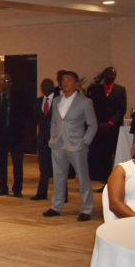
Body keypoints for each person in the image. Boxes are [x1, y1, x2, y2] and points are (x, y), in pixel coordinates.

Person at [43, 70, 97, 222]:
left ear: (76, 83)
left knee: (83, 177)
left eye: (69, 80)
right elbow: (54, 122)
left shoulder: (85, 102)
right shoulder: (56, 101)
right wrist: (52, 138)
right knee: (59, 176)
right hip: (58, 144)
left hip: (76, 145)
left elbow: (92, 125)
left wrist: (84, 141)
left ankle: (86, 208)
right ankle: (56, 206)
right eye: (63, 80)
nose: (65, 83)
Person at [0, 73, 30, 197]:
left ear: (11, 82)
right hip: (0, 135)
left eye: (6, 80)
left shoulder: (19, 96)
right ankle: (3, 187)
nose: (3, 82)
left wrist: (22, 128)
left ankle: (17, 189)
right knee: (0, 161)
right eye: (1, 80)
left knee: (17, 162)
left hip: (16, 134)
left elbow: (27, 113)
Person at [87, 67, 127, 183]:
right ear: (104, 75)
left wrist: (111, 123)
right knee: (104, 156)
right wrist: (100, 123)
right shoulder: (96, 90)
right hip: (100, 128)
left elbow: (122, 109)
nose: (112, 77)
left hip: (114, 128)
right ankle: (106, 181)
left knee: (115, 154)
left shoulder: (120, 90)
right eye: (109, 74)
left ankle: (117, 181)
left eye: (114, 75)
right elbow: (92, 108)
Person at [30, 78, 56, 200]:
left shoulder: (58, 101)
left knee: (58, 168)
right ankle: (41, 193)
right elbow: (35, 118)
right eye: (43, 85)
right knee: (43, 167)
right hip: (42, 138)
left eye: (47, 85)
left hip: (56, 138)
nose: (45, 88)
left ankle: (63, 194)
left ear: (53, 87)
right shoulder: (38, 101)